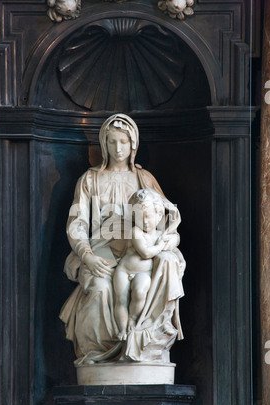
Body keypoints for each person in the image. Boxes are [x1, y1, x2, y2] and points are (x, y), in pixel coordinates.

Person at [60, 113, 185, 365]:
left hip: (138, 253)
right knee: (99, 289)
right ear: (104, 144)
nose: (119, 148)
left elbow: (167, 219)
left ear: (133, 145)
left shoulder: (144, 178)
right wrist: (87, 256)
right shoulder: (90, 179)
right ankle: (98, 354)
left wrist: (170, 240)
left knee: (165, 265)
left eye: (124, 142)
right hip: (101, 251)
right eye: (113, 142)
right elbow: (78, 223)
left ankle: (142, 342)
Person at [113, 189, 178, 341]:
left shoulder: (159, 235)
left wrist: (170, 241)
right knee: (120, 300)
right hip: (124, 271)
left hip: (143, 273)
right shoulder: (137, 232)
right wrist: (160, 246)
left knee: (140, 292)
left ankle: (133, 319)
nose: (145, 222)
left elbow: (174, 238)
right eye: (140, 218)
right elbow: (146, 253)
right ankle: (123, 330)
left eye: (148, 217)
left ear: (159, 214)